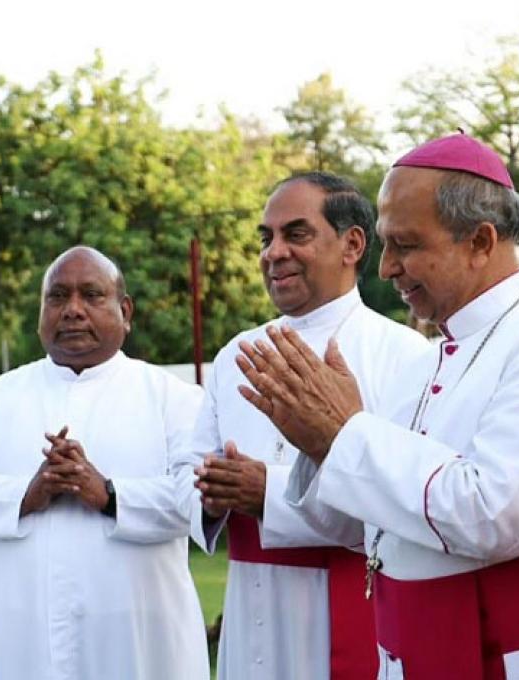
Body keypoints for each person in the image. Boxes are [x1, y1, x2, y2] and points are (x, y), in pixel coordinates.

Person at [236, 135, 519, 679]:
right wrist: (318, 445)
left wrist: (343, 434)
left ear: (479, 241)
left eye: (405, 244)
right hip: (416, 651)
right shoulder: (424, 363)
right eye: (384, 244)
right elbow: (375, 526)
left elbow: (490, 513)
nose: (387, 268)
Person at [185, 172, 431, 680]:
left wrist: (268, 494)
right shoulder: (236, 355)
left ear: (352, 244)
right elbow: (191, 470)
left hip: (346, 605)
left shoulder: (403, 355)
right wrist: (209, 496)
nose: (273, 252)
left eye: (295, 234)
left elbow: (407, 500)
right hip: (250, 602)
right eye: (266, 237)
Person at [0, 246, 208, 680]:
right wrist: (29, 493)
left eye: (91, 295)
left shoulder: (174, 398)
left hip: (139, 644)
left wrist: (110, 494)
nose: (72, 311)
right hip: (25, 642)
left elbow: (196, 499)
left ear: (125, 309)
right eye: (57, 297)